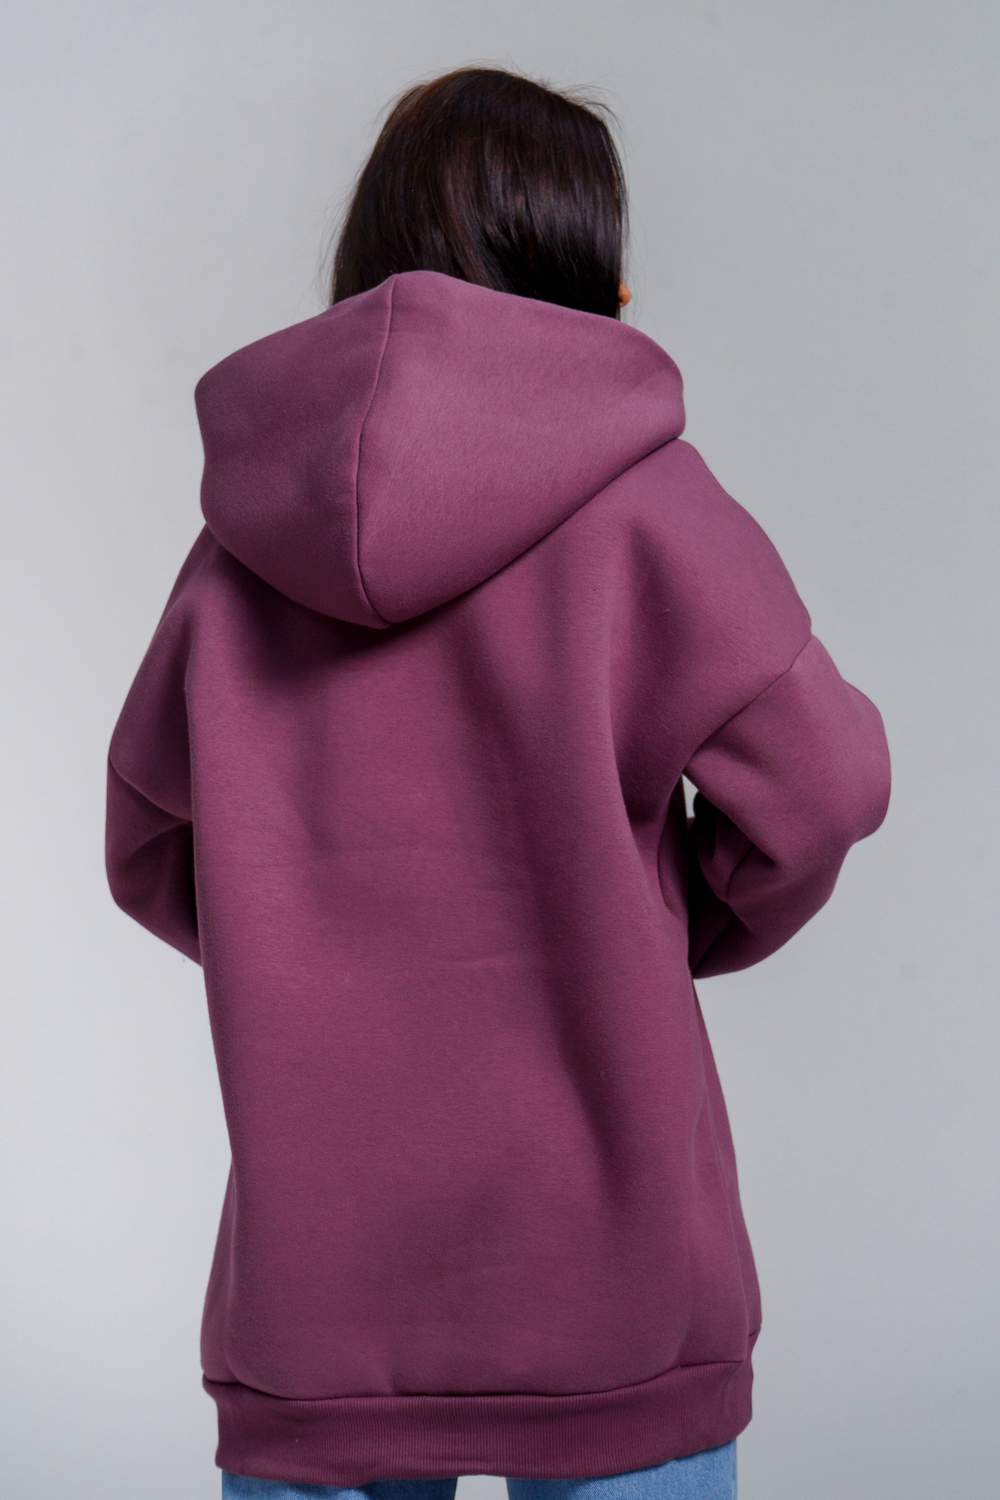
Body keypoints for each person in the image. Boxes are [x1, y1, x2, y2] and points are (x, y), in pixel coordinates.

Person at [105, 67, 890, 1500]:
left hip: (317, 1302)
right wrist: (675, 925)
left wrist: (305, 951)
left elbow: (149, 841)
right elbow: (824, 783)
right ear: (587, 270)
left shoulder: (240, 551)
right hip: (617, 1291)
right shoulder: (649, 507)